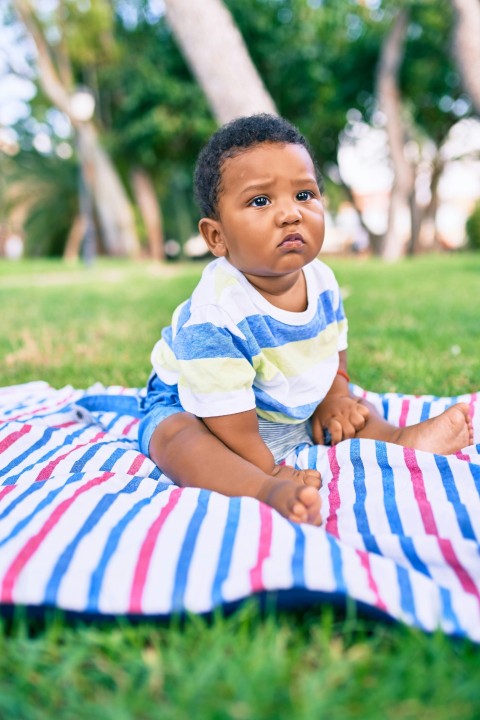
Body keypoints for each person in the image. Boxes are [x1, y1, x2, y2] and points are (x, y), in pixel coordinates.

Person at [138, 114, 473, 527]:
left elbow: (334, 352)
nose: (290, 214)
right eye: (260, 201)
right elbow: (231, 424)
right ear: (216, 237)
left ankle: (400, 439)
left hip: (281, 401)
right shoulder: (215, 313)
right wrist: (270, 470)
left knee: (354, 407)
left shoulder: (322, 281)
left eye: (304, 195)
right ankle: (262, 490)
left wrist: (334, 397)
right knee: (177, 441)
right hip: (206, 410)